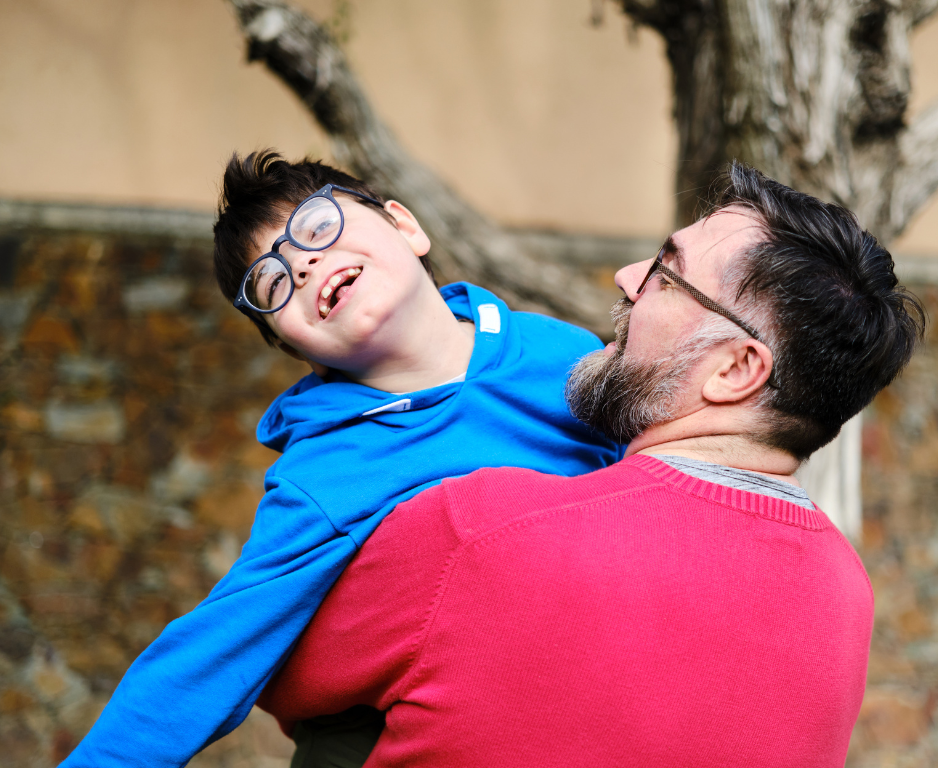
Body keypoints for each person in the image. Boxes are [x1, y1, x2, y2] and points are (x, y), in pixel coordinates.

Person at [258, 163, 926, 768]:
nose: (627, 277)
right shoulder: (848, 596)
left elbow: (280, 675)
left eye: (666, 273)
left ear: (734, 370)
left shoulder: (477, 530)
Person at [59, 151, 621, 767]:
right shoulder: (326, 473)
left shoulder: (557, 353)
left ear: (406, 227)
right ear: (296, 348)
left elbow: (656, 480)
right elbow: (214, 647)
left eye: (318, 226)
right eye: (272, 284)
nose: (301, 265)